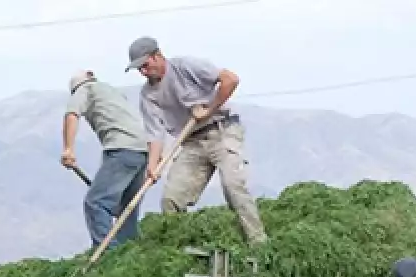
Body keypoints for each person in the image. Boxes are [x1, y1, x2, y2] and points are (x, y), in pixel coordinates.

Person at [124, 36, 268, 245]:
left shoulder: (185, 67)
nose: (144, 72)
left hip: (222, 130)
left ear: (157, 56)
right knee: (171, 199)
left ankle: (258, 244)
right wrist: (153, 166)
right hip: (192, 142)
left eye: (145, 66)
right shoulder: (148, 95)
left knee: (233, 185)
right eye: (140, 70)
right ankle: (178, 250)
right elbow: (155, 133)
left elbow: (231, 79)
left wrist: (209, 110)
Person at [61, 70, 151, 249]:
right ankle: (128, 252)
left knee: (96, 203)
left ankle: (107, 253)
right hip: (142, 151)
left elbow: (71, 115)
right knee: (127, 209)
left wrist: (68, 149)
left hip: (122, 149)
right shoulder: (112, 92)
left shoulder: (84, 89)